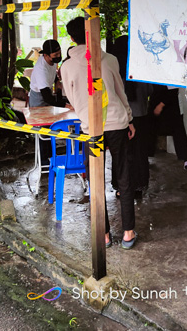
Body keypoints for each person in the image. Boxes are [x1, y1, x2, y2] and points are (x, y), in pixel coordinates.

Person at [60, 17, 138, 250]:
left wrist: (86, 112)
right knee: (124, 178)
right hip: (117, 125)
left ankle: (103, 235)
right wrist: (130, 119)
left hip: (92, 130)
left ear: (72, 38)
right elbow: (120, 92)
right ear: (92, 34)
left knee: (96, 182)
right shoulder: (110, 59)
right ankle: (128, 233)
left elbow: (72, 99)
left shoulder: (66, 66)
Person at [108, 35, 152, 196]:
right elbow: (149, 91)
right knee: (139, 152)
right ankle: (139, 186)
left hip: (120, 118)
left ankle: (121, 187)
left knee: (121, 153)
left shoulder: (112, 67)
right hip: (140, 114)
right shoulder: (140, 66)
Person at [150, 85, 187, 169]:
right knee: (150, 130)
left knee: (178, 130)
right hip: (154, 101)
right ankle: (147, 155)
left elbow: (173, 91)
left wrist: (161, 105)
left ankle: (186, 159)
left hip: (171, 104)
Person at [28, 39, 67, 108]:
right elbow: (47, 98)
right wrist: (65, 105)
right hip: (38, 98)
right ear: (46, 55)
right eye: (55, 55)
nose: (58, 56)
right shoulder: (41, 69)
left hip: (47, 93)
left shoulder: (52, 61)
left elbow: (52, 72)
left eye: (59, 53)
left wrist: (57, 82)